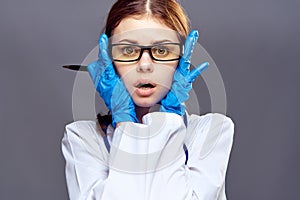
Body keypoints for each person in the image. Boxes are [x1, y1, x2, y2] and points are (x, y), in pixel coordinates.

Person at [62, 0, 234, 199]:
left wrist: (170, 119)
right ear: (108, 60)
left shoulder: (211, 132)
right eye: (128, 50)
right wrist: (125, 121)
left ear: (181, 59)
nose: (144, 65)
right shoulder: (83, 139)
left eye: (161, 50)